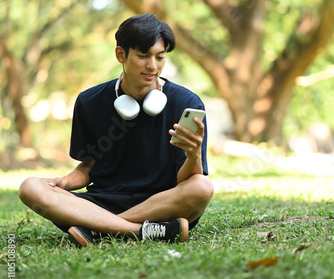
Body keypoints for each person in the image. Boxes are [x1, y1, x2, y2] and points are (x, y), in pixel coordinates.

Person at [19, 14, 214, 246]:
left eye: (159, 57)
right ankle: (144, 231)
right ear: (121, 54)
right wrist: (65, 183)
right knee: (30, 187)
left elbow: (188, 179)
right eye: (143, 56)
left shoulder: (186, 103)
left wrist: (193, 155)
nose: (153, 66)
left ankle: (95, 228)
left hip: (161, 203)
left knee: (201, 186)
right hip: (101, 201)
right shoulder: (88, 102)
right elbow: (89, 167)